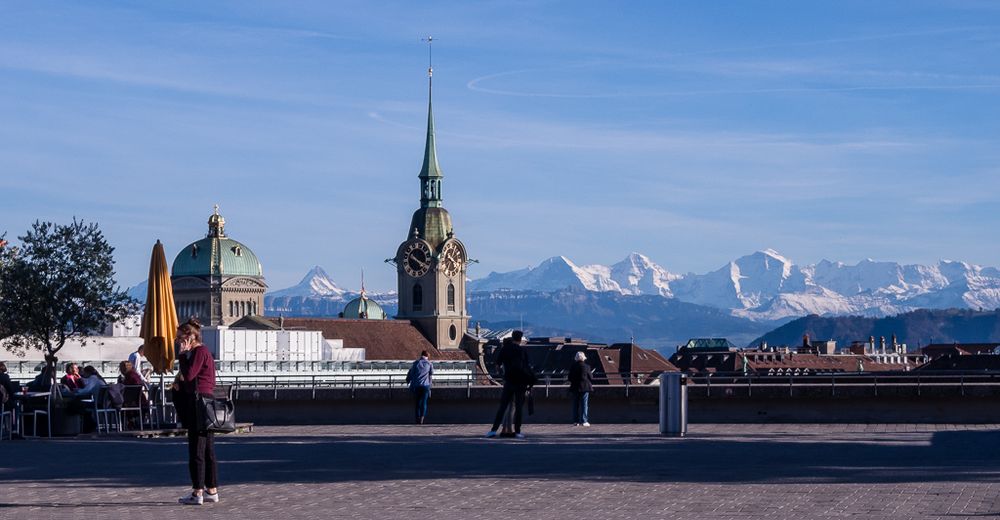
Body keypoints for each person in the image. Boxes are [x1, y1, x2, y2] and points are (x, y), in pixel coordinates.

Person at [175, 318, 220, 506]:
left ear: (190, 337)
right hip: (206, 401)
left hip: (198, 403)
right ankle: (212, 489)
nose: (178, 341)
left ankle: (197, 491)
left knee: (197, 448)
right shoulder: (204, 352)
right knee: (208, 448)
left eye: (180, 338)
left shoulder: (199, 352)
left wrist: (182, 356)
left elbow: (190, 375)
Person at [487, 330, 535, 439]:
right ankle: (517, 431)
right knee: (518, 408)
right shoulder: (522, 351)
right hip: (521, 383)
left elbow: (497, 365)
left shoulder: (505, 349)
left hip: (509, 381)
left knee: (503, 406)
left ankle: (493, 430)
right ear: (520, 339)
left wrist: (503, 376)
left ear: (512, 338)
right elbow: (527, 367)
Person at [405, 350, 433, 424]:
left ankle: (417, 418)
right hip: (426, 386)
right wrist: (430, 387)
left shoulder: (416, 363)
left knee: (417, 403)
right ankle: (422, 418)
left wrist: (408, 380)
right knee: (424, 403)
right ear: (427, 356)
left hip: (417, 385)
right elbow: (430, 376)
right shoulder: (429, 364)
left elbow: (411, 373)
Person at [568, 351, 593, 427]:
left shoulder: (573, 366)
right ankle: (584, 421)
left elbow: (569, 378)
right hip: (584, 387)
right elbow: (591, 377)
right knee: (584, 405)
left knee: (575, 405)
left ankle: (575, 421)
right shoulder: (587, 367)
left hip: (575, 387)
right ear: (583, 358)